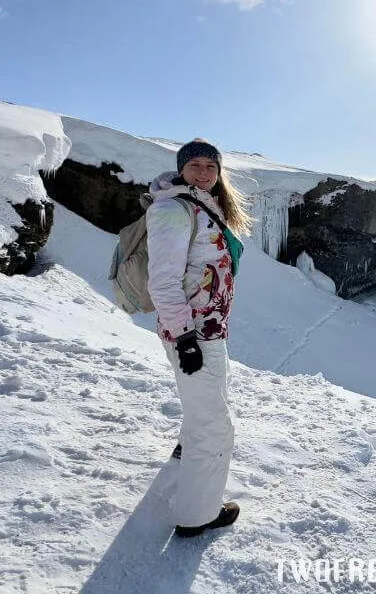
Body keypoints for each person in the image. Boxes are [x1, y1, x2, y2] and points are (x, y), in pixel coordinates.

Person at [146, 138, 250, 538]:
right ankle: (197, 514)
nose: (204, 172)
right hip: (193, 331)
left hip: (205, 327)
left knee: (205, 399)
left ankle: (186, 450)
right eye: (195, 165)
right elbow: (163, 280)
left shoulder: (203, 205)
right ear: (181, 168)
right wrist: (185, 336)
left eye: (211, 165)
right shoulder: (173, 210)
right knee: (215, 423)